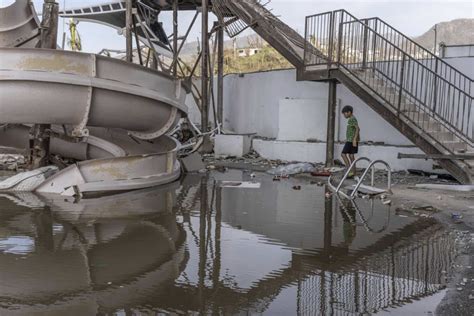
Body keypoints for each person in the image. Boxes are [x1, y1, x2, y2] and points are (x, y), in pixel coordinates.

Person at [341, 105, 360, 178]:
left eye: (345, 113)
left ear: (349, 112)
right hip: (350, 140)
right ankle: (353, 173)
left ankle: (349, 170)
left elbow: (357, 129)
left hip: (351, 141)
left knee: (343, 154)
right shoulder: (353, 118)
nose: (344, 115)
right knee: (351, 156)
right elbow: (356, 129)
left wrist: (354, 139)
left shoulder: (352, 119)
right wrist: (347, 138)